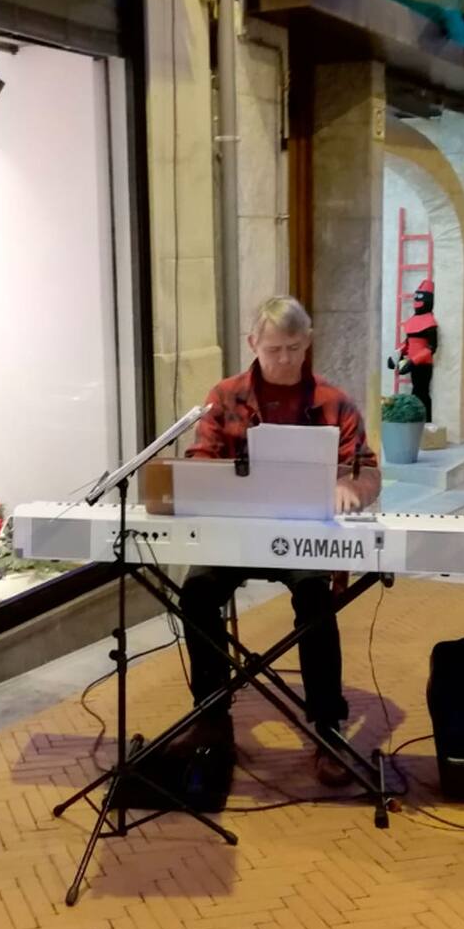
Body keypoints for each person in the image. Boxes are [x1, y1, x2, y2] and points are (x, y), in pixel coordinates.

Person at [181, 296, 380, 786]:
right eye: (274, 349)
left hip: (304, 535)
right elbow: (198, 462)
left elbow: (369, 471)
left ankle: (327, 725)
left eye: (294, 348)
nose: (285, 359)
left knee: (316, 601)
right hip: (237, 533)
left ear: (307, 343)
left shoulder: (334, 402)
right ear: (253, 344)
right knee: (197, 594)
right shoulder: (224, 397)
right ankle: (212, 715)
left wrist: (348, 488)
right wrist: (227, 482)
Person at [388, 278, 438, 421]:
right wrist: (395, 356)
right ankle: (418, 420)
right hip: (414, 363)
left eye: (420, 297)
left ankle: (426, 421)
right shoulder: (413, 320)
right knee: (416, 391)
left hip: (423, 364)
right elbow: (408, 343)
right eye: (416, 297)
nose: (417, 300)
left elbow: (431, 347)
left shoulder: (430, 322)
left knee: (421, 392)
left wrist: (414, 361)